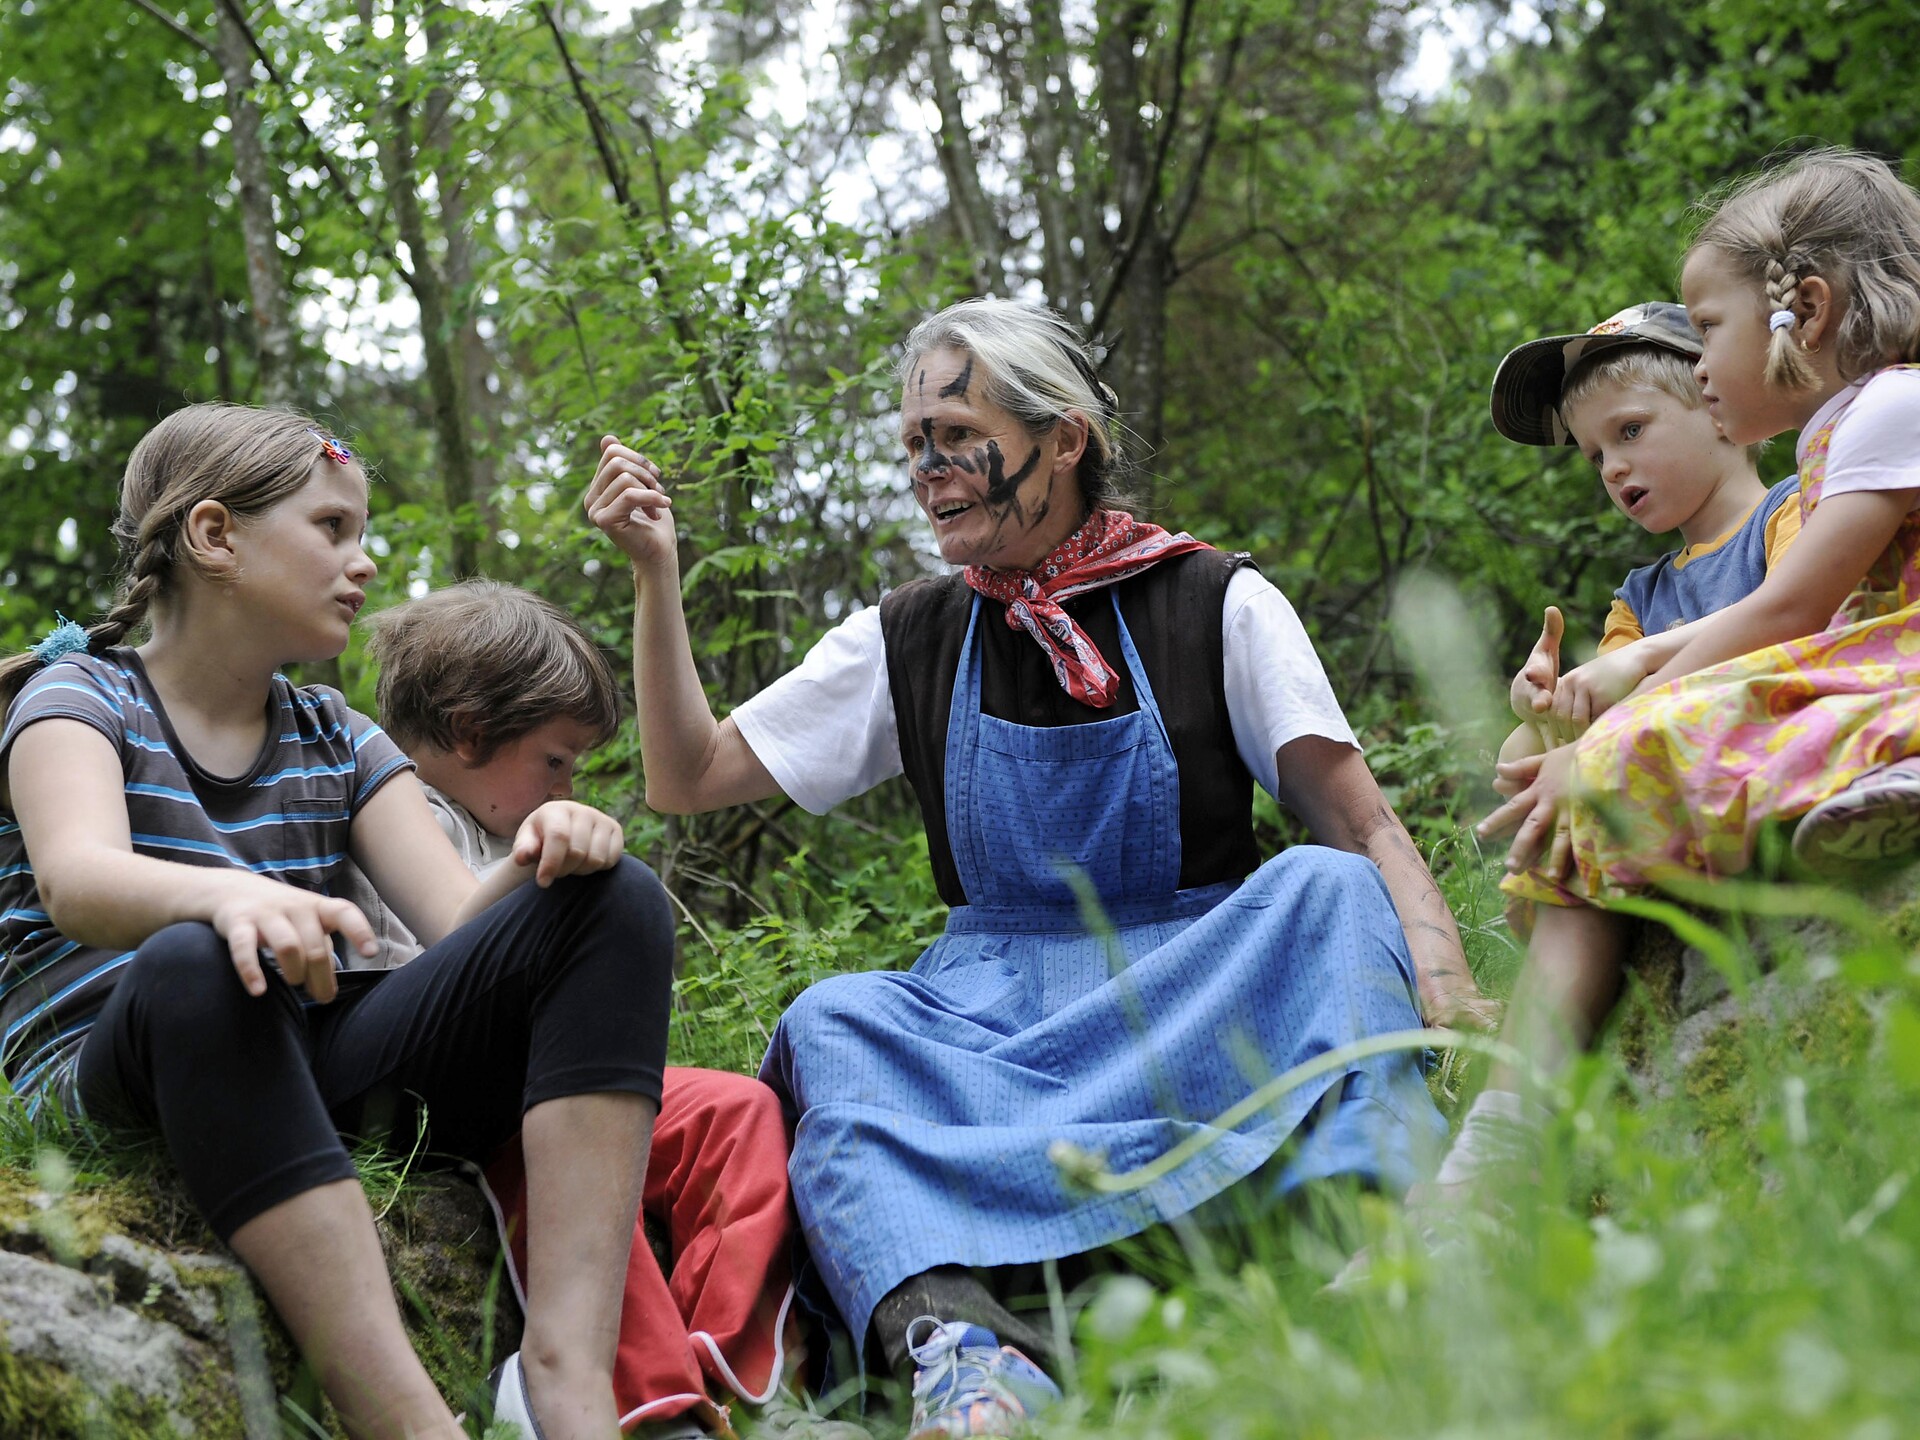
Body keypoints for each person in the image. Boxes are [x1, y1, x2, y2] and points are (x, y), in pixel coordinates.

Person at [585, 297, 1495, 1438]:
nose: (929, 467)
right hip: (994, 1023)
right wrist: (655, 576)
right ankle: (970, 1355)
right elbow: (689, 772)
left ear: (1063, 438)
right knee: (830, 1021)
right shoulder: (906, 636)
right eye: (914, 442)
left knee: (1325, 888)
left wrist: (1448, 983)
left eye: (957, 433)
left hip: (1198, 990)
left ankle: (1377, 1251)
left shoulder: (1214, 599)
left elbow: (1358, 826)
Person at [0, 404, 676, 1440]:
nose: (363, 564)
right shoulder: (79, 695)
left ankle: (570, 1382)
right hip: (128, 1060)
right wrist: (229, 894)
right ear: (215, 536)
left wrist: (552, 845)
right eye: (332, 530)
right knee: (201, 961)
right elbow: (76, 879)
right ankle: (410, 1424)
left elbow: (459, 925)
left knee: (612, 895)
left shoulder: (336, 734)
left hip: (303, 1057)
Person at [1474, 148, 1920, 1160]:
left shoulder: (1884, 412)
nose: (1710, 366)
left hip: (1896, 655)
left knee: (1631, 765)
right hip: (1875, 653)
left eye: (1710, 329)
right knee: (1583, 795)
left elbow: (1797, 606)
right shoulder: (1846, 432)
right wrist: (1569, 717)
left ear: (1801, 311)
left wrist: (1623, 716)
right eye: (1594, 455)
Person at [348, 580, 859, 1440]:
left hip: (560, 1073)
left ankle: (755, 1383)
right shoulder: (386, 814)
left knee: (737, 1109)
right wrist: (536, 862)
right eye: (557, 760)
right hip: (466, 1096)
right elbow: (445, 970)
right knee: (572, 1178)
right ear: (472, 732)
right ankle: (654, 1407)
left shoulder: (500, 822)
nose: (567, 784)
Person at [1430, 301, 1802, 1187]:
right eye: (1596, 454)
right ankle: (1509, 1129)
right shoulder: (1641, 597)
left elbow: (1804, 626)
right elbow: (1557, 739)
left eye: (1631, 430)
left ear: (1718, 405)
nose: (1612, 466)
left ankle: (1506, 1133)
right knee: (1559, 815)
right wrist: (1544, 706)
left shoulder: (1794, 517)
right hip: (1663, 803)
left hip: (1763, 763)